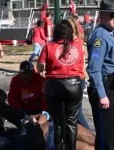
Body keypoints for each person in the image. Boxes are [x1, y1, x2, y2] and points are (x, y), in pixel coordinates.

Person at [37, 20, 83, 150]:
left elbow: (40, 68)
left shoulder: (48, 46)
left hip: (54, 85)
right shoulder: (78, 46)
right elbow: (81, 66)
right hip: (73, 84)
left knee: (58, 122)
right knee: (71, 122)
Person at [87, 0, 114, 150]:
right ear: (103, 16)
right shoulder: (100, 37)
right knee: (106, 136)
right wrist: (102, 95)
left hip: (110, 87)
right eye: (113, 15)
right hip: (104, 89)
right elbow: (94, 69)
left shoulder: (109, 33)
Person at [8, 60, 49, 125]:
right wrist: (22, 114)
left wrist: (44, 113)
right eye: (23, 74)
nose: (25, 76)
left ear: (32, 73)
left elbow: (45, 98)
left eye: (28, 74)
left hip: (38, 109)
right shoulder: (15, 80)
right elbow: (12, 99)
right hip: (23, 109)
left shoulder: (40, 80)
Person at [67, 16, 90, 130]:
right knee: (75, 111)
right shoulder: (79, 41)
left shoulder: (72, 44)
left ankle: (89, 135)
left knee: (77, 111)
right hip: (80, 78)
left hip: (74, 78)